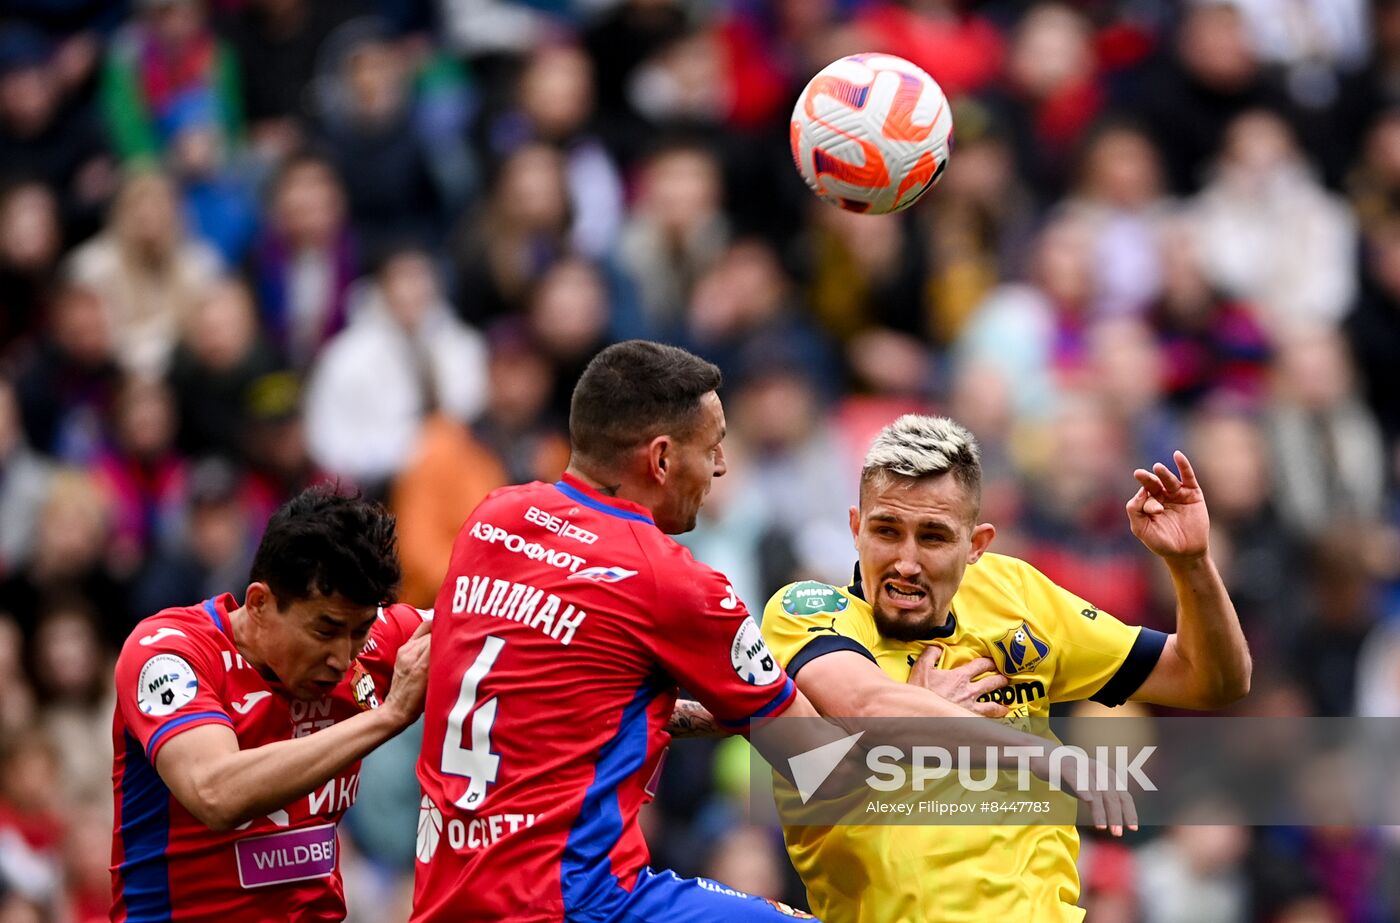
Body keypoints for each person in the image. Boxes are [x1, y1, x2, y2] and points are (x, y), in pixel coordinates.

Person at [758, 414, 1251, 922]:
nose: (906, 560)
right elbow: (867, 704)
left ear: (976, 546)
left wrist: (1191, 564)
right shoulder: (808, 611)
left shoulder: (1011, 593)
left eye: (932, 538)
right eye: (887, 531)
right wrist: (1042, 755)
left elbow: (1212, 680)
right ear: (856, 529)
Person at [412, 340, 824, 921]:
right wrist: (917, 709)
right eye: (713, 447)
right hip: (576, 902)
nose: (723, 466)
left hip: (445, 897)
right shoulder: (673, 582)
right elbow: (817, 760)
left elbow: (571, 701)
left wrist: (710, 719)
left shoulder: (490, 520)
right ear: (660, 460)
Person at [110, 485, 432, 921]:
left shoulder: (373, 646)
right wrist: (389, 716)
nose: (343, 657)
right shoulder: (170, 653)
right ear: (260, 603)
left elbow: (495, 623)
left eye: (360, 631)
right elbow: (215, 791)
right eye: (325, 630)